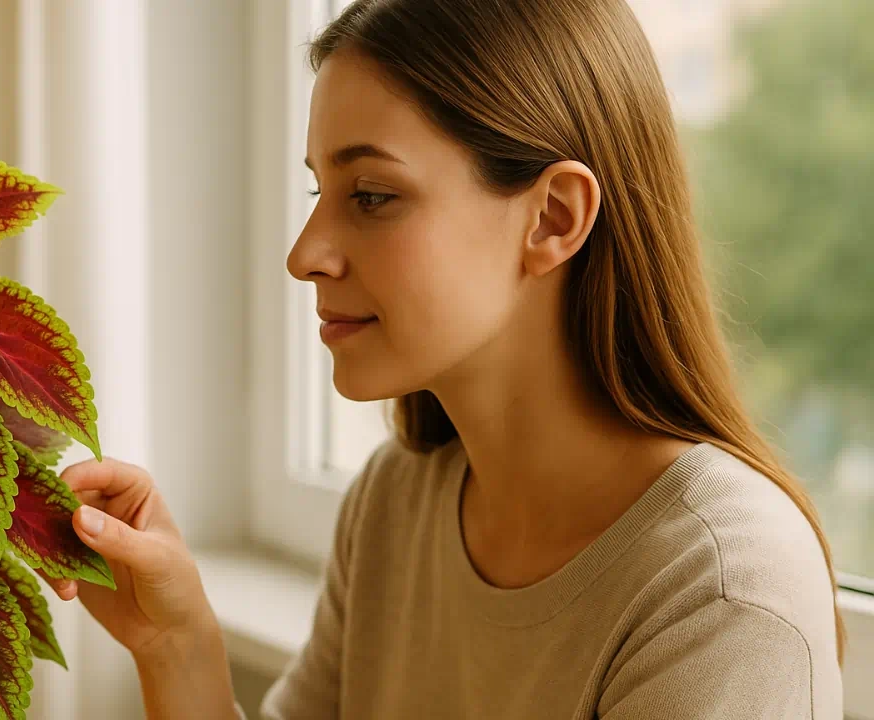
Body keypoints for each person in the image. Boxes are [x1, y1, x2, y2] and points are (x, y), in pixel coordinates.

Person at [46, 0, 845, 717]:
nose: (305, 254)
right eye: (317, 192)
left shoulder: (722, 592)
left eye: (370, 196)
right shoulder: (396, 504)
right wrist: (176, 645)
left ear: (553, 219)